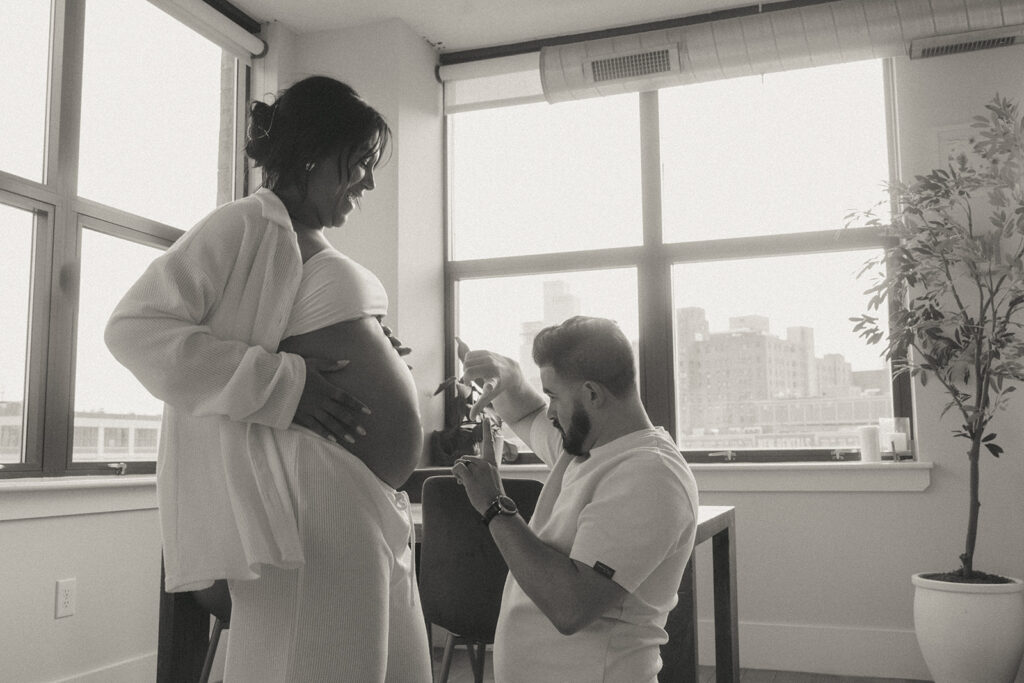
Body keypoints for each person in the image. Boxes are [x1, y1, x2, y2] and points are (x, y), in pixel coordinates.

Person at [105, 76, 430, 681]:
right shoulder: (242, 224)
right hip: (307, 513)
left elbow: (284, 326)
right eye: (359, 163)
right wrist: (285, 386)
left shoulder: (299, 238)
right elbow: (134, 328)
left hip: (365, 508)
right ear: (311, 156)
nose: (369, 180)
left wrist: (373, 349)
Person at [453, 315, 699, 682]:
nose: (550, 410)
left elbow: (571, 606)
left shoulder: (650, 474)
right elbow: (527, 413)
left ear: (592, 395)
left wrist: (494, 506)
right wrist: (509, 374)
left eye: (554, 396)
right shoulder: (584, 448)